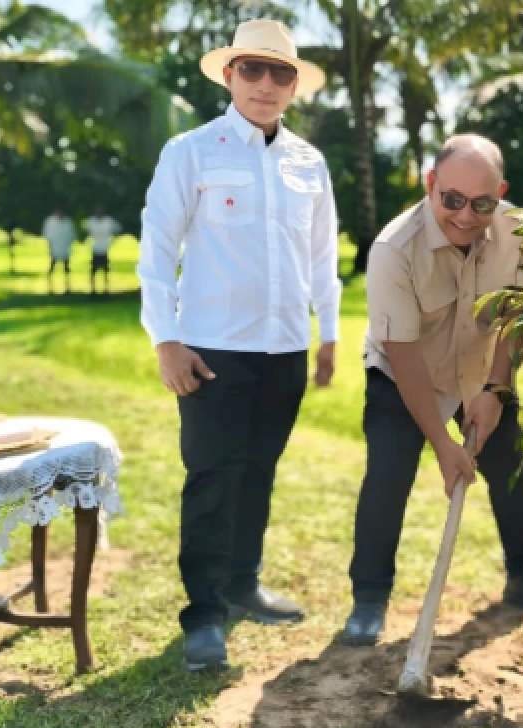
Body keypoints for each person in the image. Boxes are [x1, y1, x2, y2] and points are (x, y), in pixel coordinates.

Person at [135, 19, 339, 672]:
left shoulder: (309, 163)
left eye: (281, 72)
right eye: (252, 68)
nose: (266, 83)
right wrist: (166, 341)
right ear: (229, 75)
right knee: (212, 479)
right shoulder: (190, 151)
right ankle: (204, 616)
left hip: (286, 350)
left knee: (259, 471)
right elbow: (156, 252)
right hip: (211, 352)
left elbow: (323, 258)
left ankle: (243, 582)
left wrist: (329, 336)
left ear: (294, 85)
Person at [342, 134, 523, 645]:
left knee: (509, 469)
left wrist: (496, 390)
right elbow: (403, 357)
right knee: (387, 478)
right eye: (452, 199)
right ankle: (369, 599)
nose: (466, 216)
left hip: (482, 370)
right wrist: (443, 444)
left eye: (481, 203)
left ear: (500, 194)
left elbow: (517, 318)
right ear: (431, 185)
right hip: (404, 374)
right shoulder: (393, 250)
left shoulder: (519, 232)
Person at [83, 206, 121, 294]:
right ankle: (93, 290)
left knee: (105, 271)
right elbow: (85, 232)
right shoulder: (91, 221)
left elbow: (118, 230)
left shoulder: (108, 221)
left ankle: (106, 290)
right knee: (93, 271)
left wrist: (112, 241)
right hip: (95, 249)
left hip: (104, 249)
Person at [42, 208, 76, 294]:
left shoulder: (67, 222)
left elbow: (71, 235)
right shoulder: (50, 222)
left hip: (65, 248)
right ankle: (50, 287)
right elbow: (47, 235)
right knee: (52, 267)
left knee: (66, 268)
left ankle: (67, 286)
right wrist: (50, 246)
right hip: (55, 248)